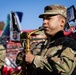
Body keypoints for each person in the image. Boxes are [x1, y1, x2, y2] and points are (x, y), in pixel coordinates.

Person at [16, 4, 76, 75]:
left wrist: (34, 59)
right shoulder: (42, 44)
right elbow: (18, 61)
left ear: (62, 22)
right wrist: (24, 53)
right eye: (44, 19)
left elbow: (64, 69)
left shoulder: (69, 43)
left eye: (48, 18)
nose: (44, 22)